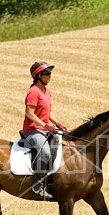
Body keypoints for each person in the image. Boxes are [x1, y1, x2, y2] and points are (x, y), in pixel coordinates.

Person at [22, 61, 68, 200]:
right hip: (32, 130)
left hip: (44, 129)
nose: (50, 76)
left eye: (50, 73)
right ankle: (37, 186)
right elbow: (30, 113)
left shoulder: (47, 92)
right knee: (45, 152)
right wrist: (45, 125)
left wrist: (58, 123)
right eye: (47, 73)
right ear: (39, 75)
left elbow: (48, 112)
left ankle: (51, 180)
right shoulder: (33, 92)